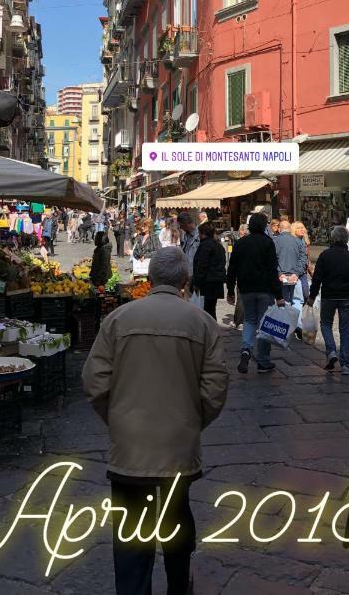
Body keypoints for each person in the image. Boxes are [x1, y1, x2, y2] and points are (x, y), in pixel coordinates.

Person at [82, 246, 228, 595]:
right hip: (178, 446)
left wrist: (118, 419)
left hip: (130, 448)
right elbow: (215, 388)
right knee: (177, 522)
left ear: (149, 278)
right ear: (185, 281)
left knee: (132, 538)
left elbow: (94, 380)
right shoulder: (203, 323)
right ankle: (179, 585)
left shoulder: (118, 319)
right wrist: (191, 422)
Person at [226, 212, 282, 374]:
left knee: (250, 319)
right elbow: (272, 270)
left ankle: (246, 349)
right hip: (265, 289)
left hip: (246, 288)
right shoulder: (268, 243)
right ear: (264, 226)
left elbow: (232, 268)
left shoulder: (241, 243)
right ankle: (263, 361)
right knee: (265, 324)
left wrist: (230, 289)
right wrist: (279, 295)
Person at [308, 225, 349, 375]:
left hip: (329, 296)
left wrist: (312, 296)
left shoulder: (325, 256)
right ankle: (345, 364)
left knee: (326, 324)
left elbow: (317, 279)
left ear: (333, 239)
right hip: (347, 296)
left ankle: (331, 351)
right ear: (346, 240)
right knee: (345, 330)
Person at [274, 220, 307, 336]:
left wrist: (279, 273)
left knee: (284, 301)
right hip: (295, 276)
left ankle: (285, 326)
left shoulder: (275, 241)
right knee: (297, 300)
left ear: (279, 229)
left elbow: (273, 260)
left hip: (282, 276)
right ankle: (297, 325)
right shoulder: (298, 241)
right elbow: (303, 259)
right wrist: (296, 273)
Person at [192, 222, 227, 320]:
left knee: (207, 311)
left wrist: (197, 283)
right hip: (216, 281)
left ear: (203, 233)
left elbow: (202, 265)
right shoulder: (218, 246)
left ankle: (210, 332)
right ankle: (213, 331)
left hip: (208, 282)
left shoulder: (205, 245)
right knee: (211, 309)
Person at [290, 221, 311, 303]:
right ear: (294, 230)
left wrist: (310, 269)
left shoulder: (305, 240)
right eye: (298, 228)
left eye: (302, 227)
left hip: (303, 271)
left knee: (306, 294)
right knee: (293, 295)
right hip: (293, 271)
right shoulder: (291, 241)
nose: (301, 229)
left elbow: (307, 256)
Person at [178, 212, 200, 284]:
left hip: (196, 277)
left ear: (186, 223)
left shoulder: (199, 235)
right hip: (187, 277)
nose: (180, 227)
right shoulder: (185, 236)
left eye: (181, 225)